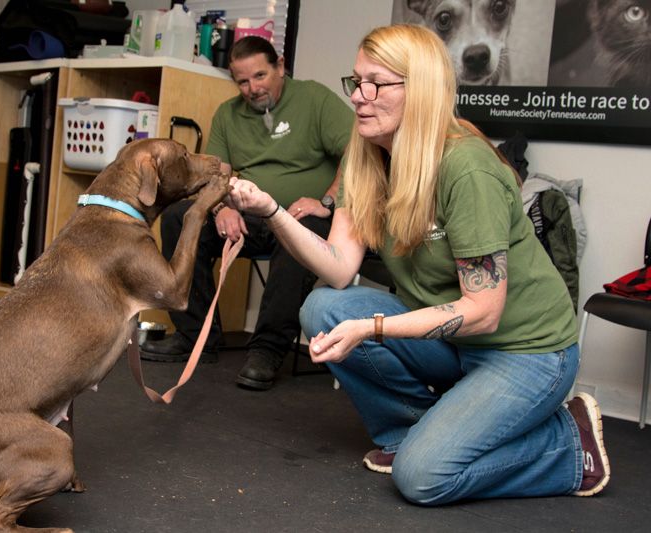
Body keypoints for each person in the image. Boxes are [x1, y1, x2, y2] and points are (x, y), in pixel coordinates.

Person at [225, 24, 609, 505]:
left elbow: (484, 311)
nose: (360, 97)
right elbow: (340, 268)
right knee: (324, 307)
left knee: (423, 479)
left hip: (525, 352)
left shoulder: (465, 167)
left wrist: (373, 328)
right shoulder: (367, 157)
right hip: (455, 342)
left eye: (377, 84)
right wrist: (272, 212)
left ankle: (567, 445)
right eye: (356, 82)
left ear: (421, 90)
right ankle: (411, 433)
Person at [140, 36, 354, 391]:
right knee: (182, 216)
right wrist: (221, 206)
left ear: (280, 67)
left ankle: (267, 350)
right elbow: (218, 173)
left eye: (260, 76)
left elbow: (358, 152)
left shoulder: (314, 99)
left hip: (300, 215)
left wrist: (328, 200)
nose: (252, 89)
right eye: (243, 81)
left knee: (307, 228)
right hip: (249, 217)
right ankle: (196, 337)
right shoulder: (227, 114)